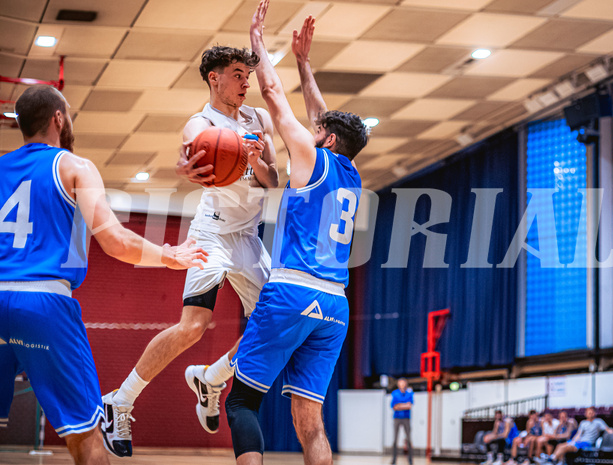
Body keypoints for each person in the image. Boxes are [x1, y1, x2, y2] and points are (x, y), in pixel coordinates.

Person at [0, 85, 207, 465]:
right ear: (57, 119)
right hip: (44, 300)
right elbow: (113, 240)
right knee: (85, 435)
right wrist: (167, 255)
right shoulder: (73, 166)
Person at [102, 43, 279, 456]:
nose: (245, 82)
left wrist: (256, 161)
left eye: (248, 75)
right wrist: (186, 170)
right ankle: (120, 400)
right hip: (213, 233)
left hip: (249, 236)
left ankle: (212, 377)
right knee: (193, 327)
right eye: (237, 74)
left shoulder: (259, 118)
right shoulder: (199, 124)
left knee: (273, 327)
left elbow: (274, 183)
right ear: (214, 78)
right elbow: (193, 166)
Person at [224, 2, 367, 464]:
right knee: (310, 422)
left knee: (242, 401)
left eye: (317, 129)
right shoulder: (350, 174)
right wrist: (305, 65)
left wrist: (259, 43)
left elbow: (270, 92)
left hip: (292, 290)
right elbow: (322, 117)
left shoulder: (311, 157)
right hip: (335, 305)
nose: (311, 126)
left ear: (323, 139)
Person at [548, 407, 613, 465]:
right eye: (588, 412)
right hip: (579, 441)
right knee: (560, 445)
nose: (590, 413)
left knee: (565, 447)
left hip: (588, 443)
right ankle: (556, 460)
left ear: (594, 413)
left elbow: (608, 429)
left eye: (591, 412)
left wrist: (612, 431)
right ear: (586, 414)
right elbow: (578, 434)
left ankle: (552, 459)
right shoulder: (583, 422)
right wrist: (573, 441)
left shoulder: (598, 421)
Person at [391, 378, 414, 465]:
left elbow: (409, 406)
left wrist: (399, 405)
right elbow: (394, 406)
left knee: (408, 439)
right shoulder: (395, 393)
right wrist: (404, 405)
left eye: (403, 383)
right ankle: (394, 460)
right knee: (395, 440)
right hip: (397, 418)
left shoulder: (409, 393)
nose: (402, 385)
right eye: (400, 384)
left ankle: (410, 460)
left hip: (406, 418)